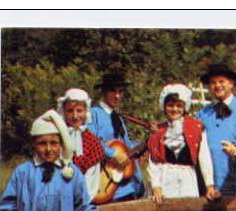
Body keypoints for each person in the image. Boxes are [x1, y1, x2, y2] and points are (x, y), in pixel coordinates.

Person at [147, 83, 219, 203]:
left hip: (188, 180)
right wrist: (156, 186)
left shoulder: (196, 127)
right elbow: (154, 162)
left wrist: (209, 185)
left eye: (179, 105)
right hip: (165, 180)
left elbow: (204, 157)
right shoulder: (158, 131)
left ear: (185, 107)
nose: (175, 109)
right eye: (170, 105)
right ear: (164, 107)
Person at [197, 63, 236, 196]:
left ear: (231, 83)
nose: (217, 85)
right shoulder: (203, 113)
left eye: (222, 81)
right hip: (213, 185)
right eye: (213, 83)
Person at [87, 71, 145, 201]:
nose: (117, 96)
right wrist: (113, 154)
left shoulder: (119, 117)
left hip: (126, 184)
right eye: (113, 91)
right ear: (104, 92)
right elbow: (90, 142)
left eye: (120, 91)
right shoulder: (93, 114)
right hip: (104, 183)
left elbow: (127, 146)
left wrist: (145, 144)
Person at [57, 88, 105, 201]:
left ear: (86, 111)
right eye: (70, 111)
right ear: (63, 112)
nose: (75, 116)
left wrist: (83, 201)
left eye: (79, 111)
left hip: (83, 200)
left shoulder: (92, 142)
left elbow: (92, 178)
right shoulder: (56, 137)